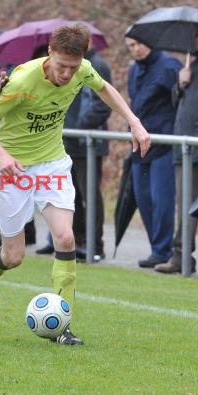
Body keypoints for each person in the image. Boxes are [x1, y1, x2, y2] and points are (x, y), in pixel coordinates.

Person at [0, 24, 150, 345]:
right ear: (50, 52)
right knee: (13, 256)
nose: (67, 73)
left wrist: (134, 122)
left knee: (65, 238)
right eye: (62, 65)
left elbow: (104, 88)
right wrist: (2, 154)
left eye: (73, 67)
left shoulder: (82, 70)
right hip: (10, 170)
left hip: (52, 163)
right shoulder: (22, 81)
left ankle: (62, 327)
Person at [36, 46, 112, 260]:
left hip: (89, 142)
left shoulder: (96, 66)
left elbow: (102, 105)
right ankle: (76, 242)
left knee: (90, 195)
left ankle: (95, 245)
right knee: (71, 196)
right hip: (67, 142)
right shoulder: (68, 67)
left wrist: (78, 126)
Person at [155, 29, 198, 274]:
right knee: (186, 205)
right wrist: (180, 84)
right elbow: (176, 103)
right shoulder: (192, 68)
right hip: (187, 149)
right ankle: (181, 258)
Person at [125, 37, 181, 268]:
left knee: (162, 200)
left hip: (164, 143)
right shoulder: (133, 70)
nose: (136, 49)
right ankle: (156, 248)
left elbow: (180, 102)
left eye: (140, 43)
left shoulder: (170, 66)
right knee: (143, 198)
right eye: (131, 46)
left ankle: (163, 250)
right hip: (141, 145)